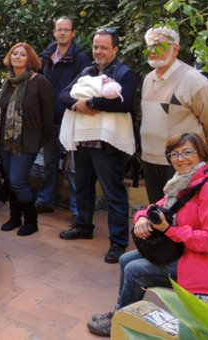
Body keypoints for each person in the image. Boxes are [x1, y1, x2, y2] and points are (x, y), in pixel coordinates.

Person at [86, 133, 208, 337]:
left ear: (202, 153)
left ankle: (119, 323)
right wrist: (141, 218)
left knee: (135, 271)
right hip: (185, 251)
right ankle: (122, 314)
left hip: (204, 264)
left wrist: (169, 230)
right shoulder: (183, 181)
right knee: (125, 259)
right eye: (174, 154)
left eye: (187, 152)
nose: (180, 159)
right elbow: (156, 207)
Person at [58, 28, 138, 264]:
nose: (99, 52)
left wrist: (90, 101)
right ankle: (83, 226)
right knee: (82, 187)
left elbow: (125, 103)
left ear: (115, 49)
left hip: (106, 145)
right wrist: (76, 105)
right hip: (83, 142)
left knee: (114, 193)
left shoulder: (125, 73)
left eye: (104, 47)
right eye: (96, 47)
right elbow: (62, 95)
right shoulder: (86, 71)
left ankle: (118, 242)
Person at [140, 26, 208, 204]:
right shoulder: (147, 79)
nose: (153, 50)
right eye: (150, 45)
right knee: (157, 213)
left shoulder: (193, 80)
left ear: (176, 48)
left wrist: (192, 148)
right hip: (150, 159)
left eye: (160, 45)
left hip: (183, 163)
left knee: (182, 217)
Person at [0, 43, 53, 236]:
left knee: (17, 181)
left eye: (22, 54)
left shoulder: (39, 82)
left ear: (29, 59)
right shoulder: (8, 82)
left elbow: (48, 114)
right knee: (10, 180)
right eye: (14, 53)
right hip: (5, 140)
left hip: (28, 141)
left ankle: (31, 221)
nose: (17, 56)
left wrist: (43, 139)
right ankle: (15, 217)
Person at [37, 17, 90, 218]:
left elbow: (82, 87)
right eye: (59, 29)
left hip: (71, 118)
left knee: (75, 167)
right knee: (50, 162)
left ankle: (78, 210)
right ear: (54, 32)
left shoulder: (82, 59)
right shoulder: (47, 56)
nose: (62, 33)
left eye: (66, 30)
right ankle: (45, 201)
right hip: (50, 119)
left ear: (73, 33)